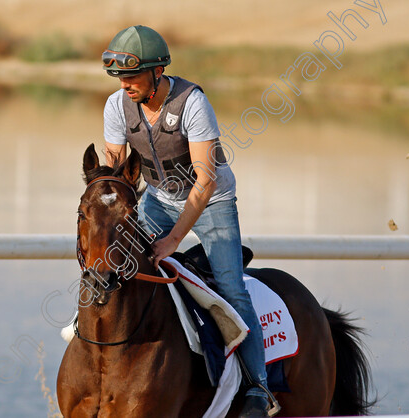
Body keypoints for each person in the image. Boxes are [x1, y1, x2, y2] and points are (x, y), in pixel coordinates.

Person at [101, 25, 279, 417]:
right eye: (119, 77)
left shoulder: (192, 102)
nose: (124, 84)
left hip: (211, 200)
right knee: (115, 266)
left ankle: (258, 389)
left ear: (157, 72)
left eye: (132, 76)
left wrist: (173, 240)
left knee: (233, 289)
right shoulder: (116, 106)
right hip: (158, 200)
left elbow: (206, 180)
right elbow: (114, 171)